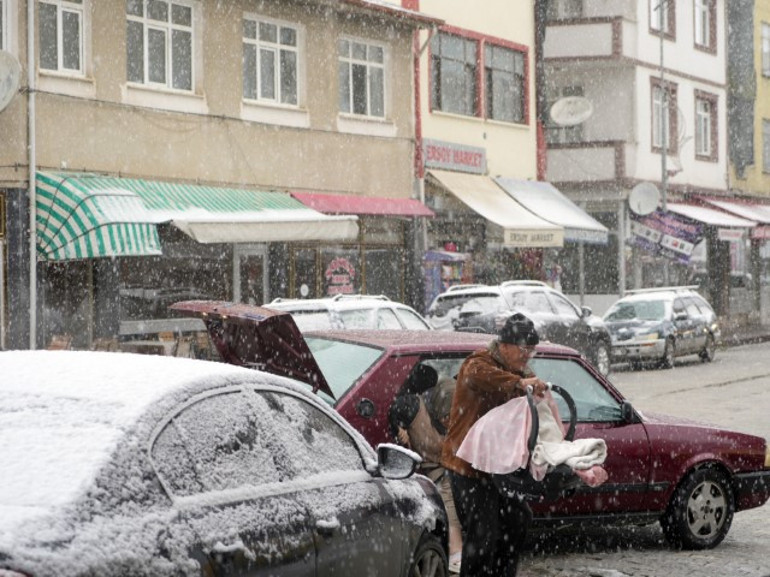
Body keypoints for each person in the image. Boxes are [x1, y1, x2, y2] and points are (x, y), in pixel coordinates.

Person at [441, 312, 548, 577]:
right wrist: (521, 383)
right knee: (483, 533)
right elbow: (484, 377)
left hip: (498, 468)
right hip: (467, 468)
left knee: (518, 520)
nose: (527, 356)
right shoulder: (478, 363)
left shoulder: (520, 371)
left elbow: (533, 407)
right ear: (504, 345)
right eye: (524, 349)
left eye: (531, 352)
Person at [389, 371, 464, 573]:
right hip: (426, 470)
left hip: (454, 468)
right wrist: (399, 430)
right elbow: (392, 412)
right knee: (447, 497)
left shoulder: (462, 416)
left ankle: (462, 550)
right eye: (446, 417)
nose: (450, 422)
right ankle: (456, 553)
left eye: (453, 416)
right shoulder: (414, 407)